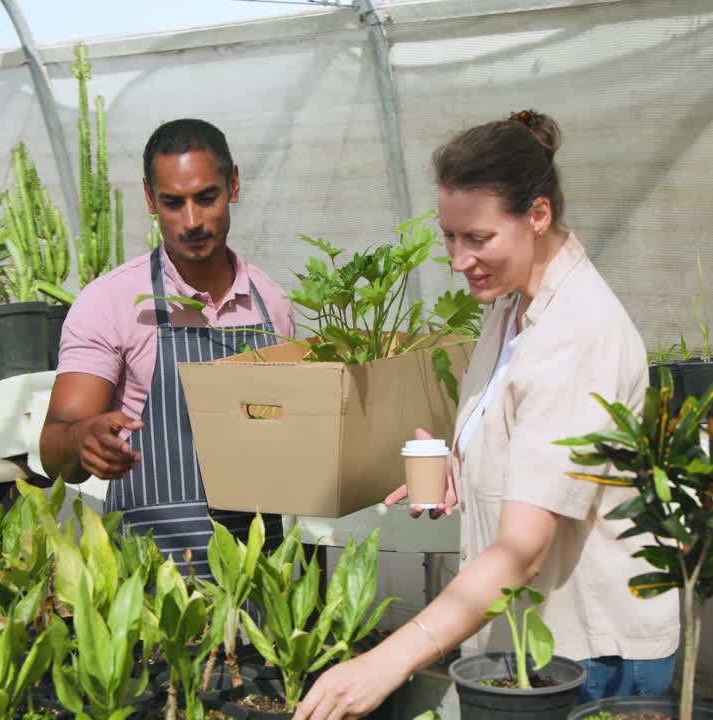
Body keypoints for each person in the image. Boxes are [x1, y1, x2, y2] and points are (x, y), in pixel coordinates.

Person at [293, 110, 679, 720]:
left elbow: (525, 549)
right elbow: (533, 445)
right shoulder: (511, 308)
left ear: (539, 215)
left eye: (478, 238)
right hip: (535, 642)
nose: (458, 259)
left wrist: (387, 661)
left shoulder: (576, 333)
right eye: (451, 236)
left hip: (592, 658)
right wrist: (466, 465)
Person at [39, 118, 294, 575]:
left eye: (206, 198)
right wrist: (84, 440)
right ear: (149, 198)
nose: (192, 221)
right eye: (173, 203)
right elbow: (54, 448)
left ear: (233, 184)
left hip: (260, 576)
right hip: (152, 587)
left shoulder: (270, 303)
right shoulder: (110, 302)